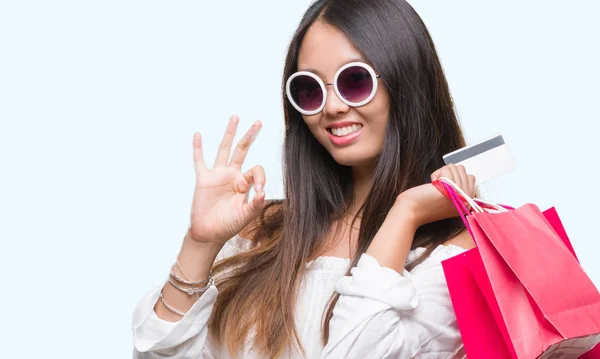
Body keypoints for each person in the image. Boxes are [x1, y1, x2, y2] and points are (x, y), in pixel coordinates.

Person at [132, 0, 479, 357]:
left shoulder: (454, 254)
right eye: (310, 89)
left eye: (354, 81)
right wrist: (201, 243)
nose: (331, 107)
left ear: (405, 81)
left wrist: (405, 214)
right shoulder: (265, 234)